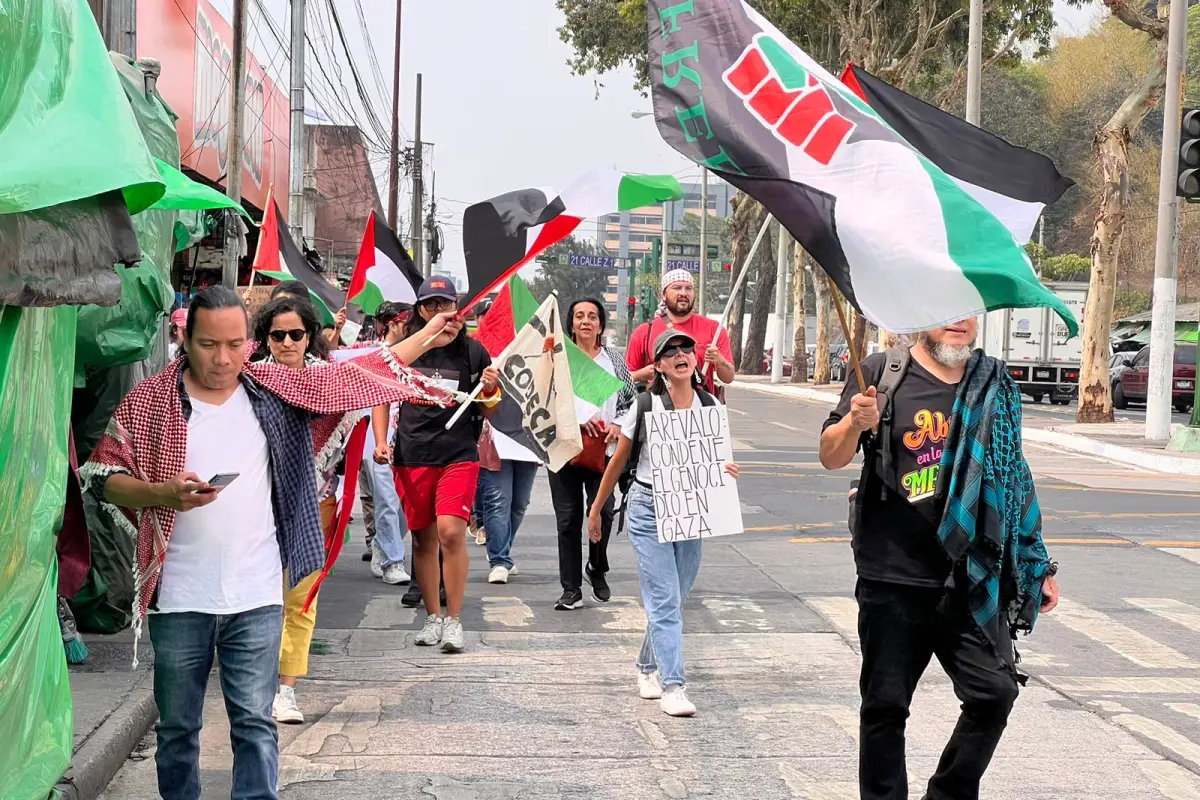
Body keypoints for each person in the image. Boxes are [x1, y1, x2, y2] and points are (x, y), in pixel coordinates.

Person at [79, 286, 458, 800]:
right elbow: (102, 475)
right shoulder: (152, 401)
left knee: (255, 727)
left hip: (257, 594)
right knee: (176, 730)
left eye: (235, 344)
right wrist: (161, 493)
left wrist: (425, 335)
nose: (223, 358)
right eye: (210, 344)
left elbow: (357, 376)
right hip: (178, 598)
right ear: (184, 338)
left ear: (247, 344)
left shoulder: (275, 390)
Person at [818, 318, 1061, 800]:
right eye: (947, 310)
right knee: (885, 707)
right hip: (892, 572)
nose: (959, 322)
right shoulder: (880, 373)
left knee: (995, 693)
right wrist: (854, 421)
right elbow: (831, 455)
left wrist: (1036, 563)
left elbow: (1013, 476)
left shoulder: (993, 382)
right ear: (920, 317)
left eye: (967, 310)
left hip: (970, 574)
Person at [588, 330, 740, 718]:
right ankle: (674, 685)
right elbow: (619, 460)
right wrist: (597, 510)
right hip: (648, 508)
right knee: (666, 600)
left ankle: (645, 665)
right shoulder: (645, 406)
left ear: (694, 359)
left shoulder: (709, 405)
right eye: (669, 351)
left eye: (685, 348)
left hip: (692, 509)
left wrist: (726, 472)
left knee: (673, 599)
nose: (680, 354)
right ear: (658, 366)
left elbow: (715, 461)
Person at [392, 276, 500, 653]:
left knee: (451, 532)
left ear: (459, 308)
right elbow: (378, 390)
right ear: (419, 310)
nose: (439, 312)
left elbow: (490, 407)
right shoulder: (405, 349)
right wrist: (378, 441)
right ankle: (433, 617)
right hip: (412, 454)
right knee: (423, 540)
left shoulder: (473, 352)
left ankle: (455, 621)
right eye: (430, 305)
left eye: (445, 304)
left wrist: (488, 388)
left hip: (458, 454)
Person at [251, 295, 344, 724]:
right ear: (265, 338)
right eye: (277, 335)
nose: (287, 342)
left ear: (310, 336)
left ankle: (285, 690)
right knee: (259, 599)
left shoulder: (330, 381)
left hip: (315, 500)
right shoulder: (250, 381)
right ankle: (254, 679)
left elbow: (380, 373)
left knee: (301, 597)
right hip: (256, 505)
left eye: (296, 334)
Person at [549, 298, 635, 608]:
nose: (586, 321)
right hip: (563, 449)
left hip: (605, 451)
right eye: (580, 316)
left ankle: (596, 566)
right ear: (571, 323)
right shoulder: (558, 358)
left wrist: (617, 424)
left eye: (593, 317)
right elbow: (544, 401)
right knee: (568, 519)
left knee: (605, 512)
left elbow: (630, 401)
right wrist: (572, 423)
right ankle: (570, 589)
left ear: (601, 325)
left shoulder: (614, 360)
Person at [363, 301, 414, 587]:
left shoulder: (416, 355)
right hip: (376, 439)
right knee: (387, 501)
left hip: (409, 438)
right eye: (406, 322)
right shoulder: (370, 356)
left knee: (406, 505)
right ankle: (394, 561)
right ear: (392, 324)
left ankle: (383, 544)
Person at [625, 269, 734, 395]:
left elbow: (728, 377)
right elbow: (625, 379)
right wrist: (642, 374)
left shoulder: (714, 329)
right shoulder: (644, 332)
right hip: (658, 410)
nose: (683, 293)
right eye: (677, 288)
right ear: (663, 295)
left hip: (701, 410)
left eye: (688, 288)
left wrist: (719, 360)